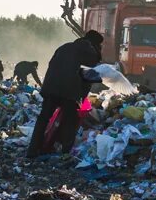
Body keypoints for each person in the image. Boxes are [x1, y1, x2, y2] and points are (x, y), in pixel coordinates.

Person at [26, 31, 103, 159]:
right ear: (95, 43)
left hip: (51, 87)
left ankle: (32, 150)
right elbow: (90, 75)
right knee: (70, 120)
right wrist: (81, 97)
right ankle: (66, 152)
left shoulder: (64, 47)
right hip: (69, 90)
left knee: (43, 118)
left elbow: (52, 66)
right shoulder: (90, 52)